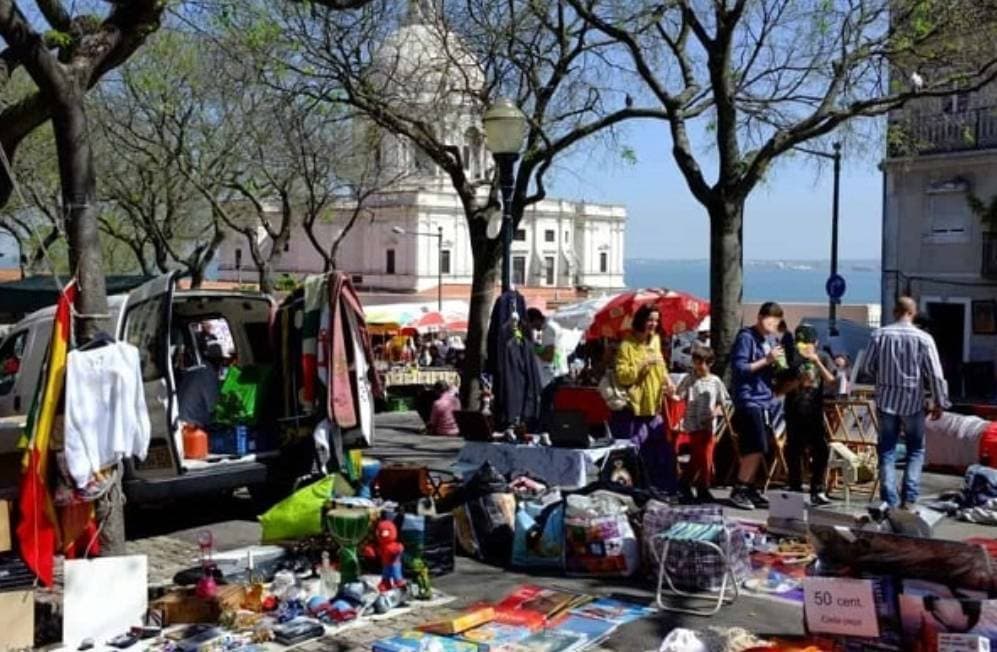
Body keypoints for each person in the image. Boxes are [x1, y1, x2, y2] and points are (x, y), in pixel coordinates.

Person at [862, 297, 950, 509]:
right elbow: (935, 375)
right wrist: (940, 401)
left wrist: (883, 377)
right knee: (916, 449)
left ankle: (889, 499)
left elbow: (867, 367)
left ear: (895, 311)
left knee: (887, 450)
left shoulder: (879, 335)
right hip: (913, 400)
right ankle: (909, 497)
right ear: (914, 313)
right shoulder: (924, 338)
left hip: (886, 400)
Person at [612, 305, 678, 492]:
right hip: (634, 407)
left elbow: (661, 367)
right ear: (641, 320)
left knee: (660, 451)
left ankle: (660, 488)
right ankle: (635, 488)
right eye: (650, 320)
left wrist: (668, 383)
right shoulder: (627, 345)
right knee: (635, 451)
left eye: (656, 320)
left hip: (653, 406)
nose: (653, 324)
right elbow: (623, 376)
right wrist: (642, 364)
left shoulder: (655, 341)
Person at [729, 302, 785, 510]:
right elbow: (740, 368)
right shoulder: (746, 338)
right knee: (755, 445)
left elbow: (771, 370)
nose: (772, 324)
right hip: (749, 399)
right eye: (769, 318)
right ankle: (740, 487)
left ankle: (751, 486)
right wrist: (766, 360)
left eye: (776, 320)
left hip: (765, 400)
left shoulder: (768, 341)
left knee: (764, 445)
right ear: (760, 317)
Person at [784, 323, 835, 506]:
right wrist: (797, 380)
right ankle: (795, 487)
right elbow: (780, 387)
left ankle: (817, 488)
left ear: (816, 343)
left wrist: (817, 362)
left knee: (821, 449)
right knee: (794, 450)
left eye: (808, 343)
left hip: (814, 411)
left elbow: (832, 381)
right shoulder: (790, 358)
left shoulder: (822, 356)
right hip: (794, 410)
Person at [674, 346, 727, 503]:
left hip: (708, 425)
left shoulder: (715, 381)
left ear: (710, 363)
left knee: (704, 456)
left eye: (703, 363)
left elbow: (723, 401)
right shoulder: (690, 379)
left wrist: (716, 412)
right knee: (700, 455)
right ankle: (696, 485)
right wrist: (672, 394)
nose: (700, 367)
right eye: (697, 362)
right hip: (693, 422)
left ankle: (694, 484)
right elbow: (679, 395)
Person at [526, 308, 570, 431]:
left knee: (546, 406)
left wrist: (534, 348)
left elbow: (548, 356)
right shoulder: (553, 325)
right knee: (550, 405)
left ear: (536, 320)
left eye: (532, 325)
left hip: (553, 374)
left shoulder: (548, 329)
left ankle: (545, 431)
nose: (533, 329)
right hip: (559, 371)